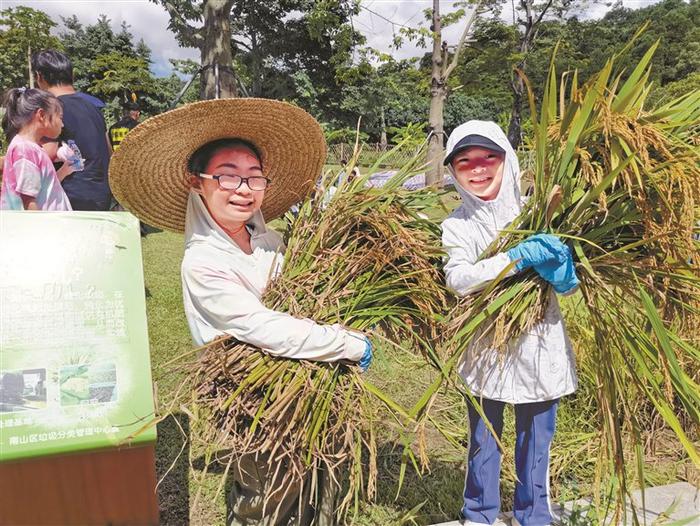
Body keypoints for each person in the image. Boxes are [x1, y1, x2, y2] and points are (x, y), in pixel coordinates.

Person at [108, 98, 372, 525]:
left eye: (254, 177)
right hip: (255, 401)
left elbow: (299, 297)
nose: (244, 189)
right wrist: (346, 343)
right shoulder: (203, 261)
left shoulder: (266, 240)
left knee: (313, 486)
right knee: (266, 499)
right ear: (197, 182)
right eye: (227, 177)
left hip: (303, 383)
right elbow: (263, 326)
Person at [441, 121, 579, 526]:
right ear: (453, 172)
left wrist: (562, 273)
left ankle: (533, 512)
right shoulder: (457, 225)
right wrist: (514, 258)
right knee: (485, 439)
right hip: (486, 347)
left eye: (489, 157)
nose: (478, 168)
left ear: (507, 159)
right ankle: (479, 513)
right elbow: (458, 279)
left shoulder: (540, 212)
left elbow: (569, 288)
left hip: (540, 342)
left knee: (536, 437)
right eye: (465, 161)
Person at [32, 49, 112, 211]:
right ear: (72, 75)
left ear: (40, 77)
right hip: (101, 195)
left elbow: (44, 155)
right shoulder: (93, 107)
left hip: (69, 198)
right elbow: (108, 150)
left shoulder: (52, 109)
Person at [0, 88, 72, 211]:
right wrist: (40, 229)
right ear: (42, 115)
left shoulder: (32, 147)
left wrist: (66, 169)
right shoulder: (25, 150)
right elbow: (29, 201)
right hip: (40, 227)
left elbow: (44, 188)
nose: (62, 124)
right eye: (60, 117)